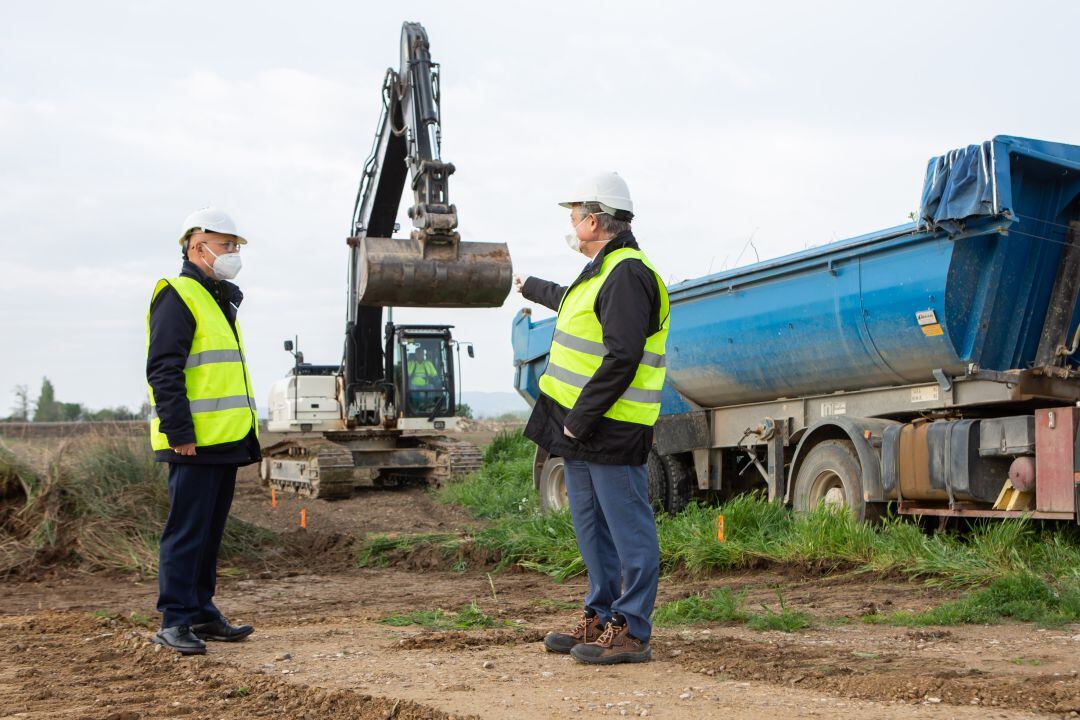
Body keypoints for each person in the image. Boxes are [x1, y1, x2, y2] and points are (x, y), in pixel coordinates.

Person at [515, 172, 669, 665]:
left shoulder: (627, 272)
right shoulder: (602, 271)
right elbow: (572, 303)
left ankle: (633, 630)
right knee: (590, 526)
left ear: (597, 221)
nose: (571, 220)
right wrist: (527, 286)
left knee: (628, 531)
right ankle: (600, 615)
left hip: (608, 425)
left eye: (576, 213)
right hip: (579, 426)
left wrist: (580, 419)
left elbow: (623, 356)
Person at [145, 206, 261, 655]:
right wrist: (179, 432)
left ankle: (201, 612)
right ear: (198, 246)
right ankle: (175, 620)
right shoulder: (178, 294)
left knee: (209, 531)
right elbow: (164, 369)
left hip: (224, 439)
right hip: (192, 441)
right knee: (186, 531)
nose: (233, 252)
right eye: (226, 244)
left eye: (235, 246)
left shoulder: (216, 296)